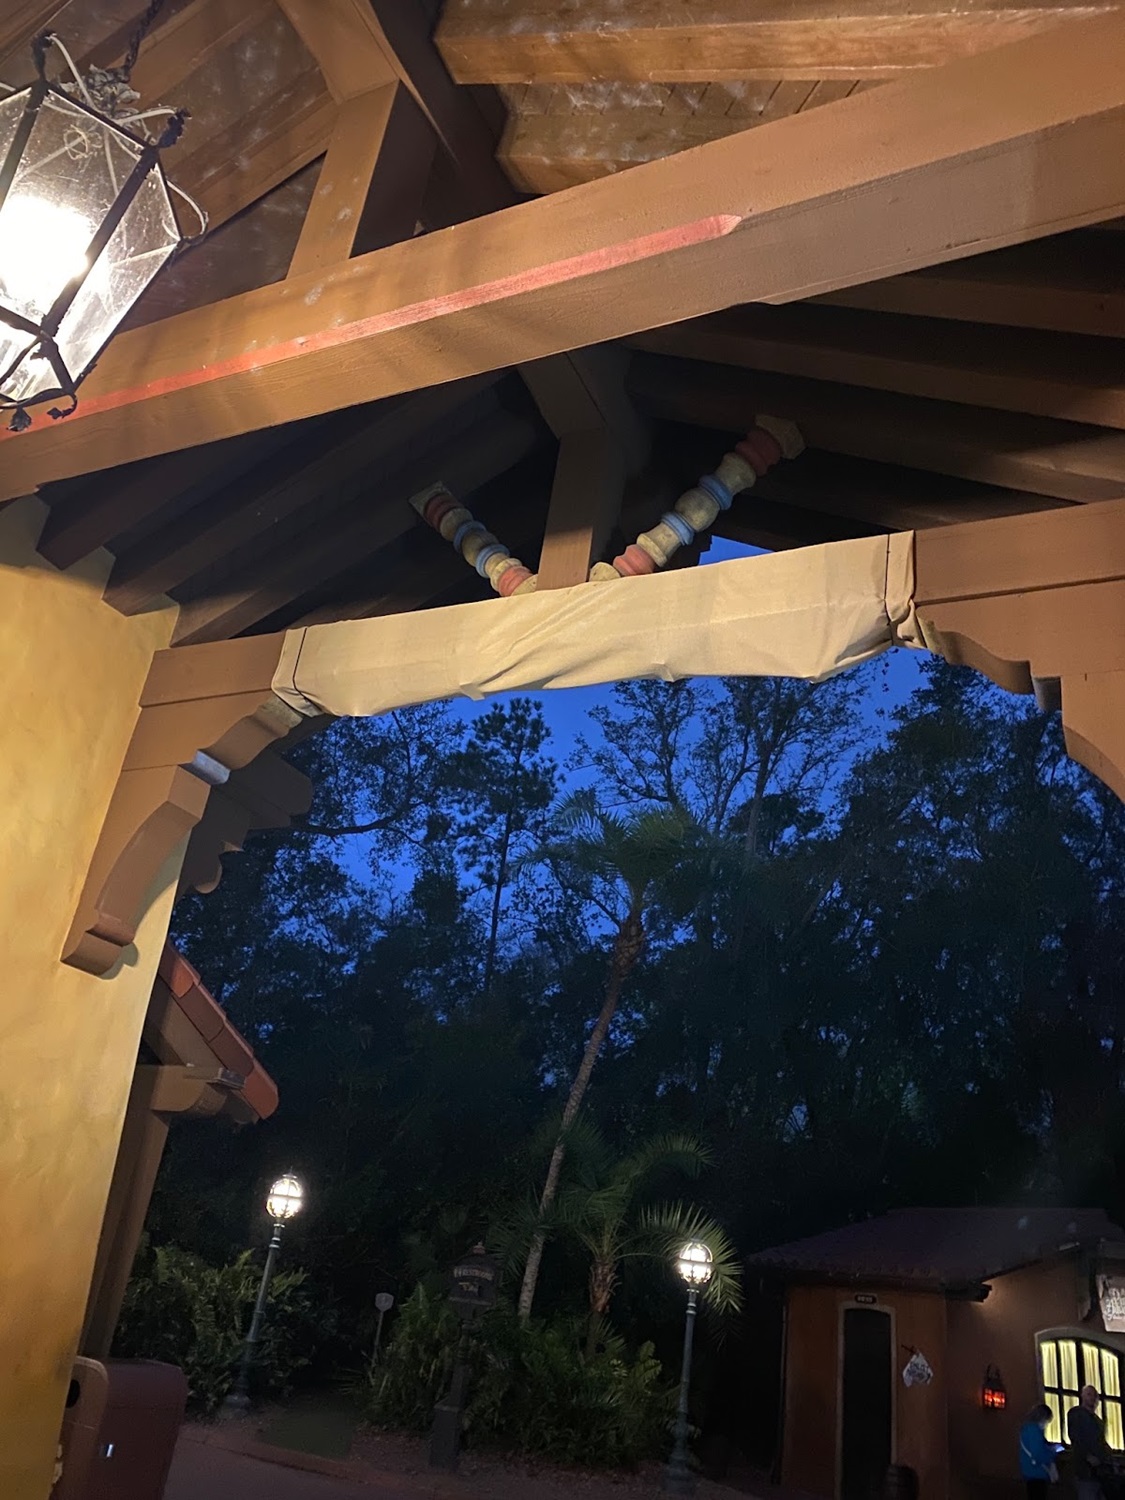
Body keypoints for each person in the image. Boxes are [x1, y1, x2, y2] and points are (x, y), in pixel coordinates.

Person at [1068, 1385, 1111, 1500]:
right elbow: (1076, 1438)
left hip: (1099, 1470)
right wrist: (1087, 1456)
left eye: (1094, 1395)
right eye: (1089, 1394)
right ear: (1082, 1396)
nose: (1092, 1398)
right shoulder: (1077, 1415)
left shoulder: (1097, 1421)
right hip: (1085, 1470)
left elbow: (1100, 1441)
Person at [1020, 1403, 1059, 1498]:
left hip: (1030, 1472)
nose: (1046, 1424)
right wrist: (1053, 1453)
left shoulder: (1027, 1429)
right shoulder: (1034, 1430)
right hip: (1037, 1472)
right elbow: (1038, 1454)